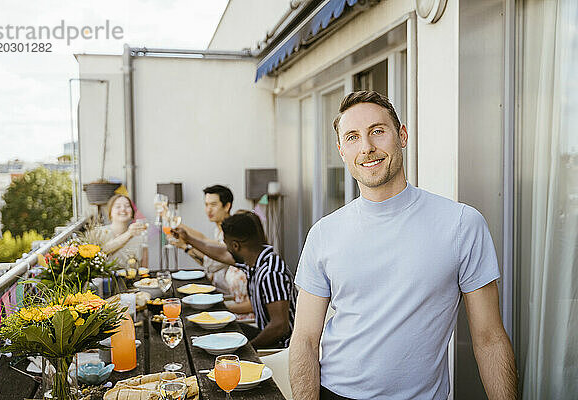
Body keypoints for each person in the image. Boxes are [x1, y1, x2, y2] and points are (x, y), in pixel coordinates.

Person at [289, 91, 518, 400]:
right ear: (342, 151)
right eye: (353, 137)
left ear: (402, 135)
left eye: (377, 132)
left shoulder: (461, 224)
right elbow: (303, 339)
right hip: (336, 393)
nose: (367, 148)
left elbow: (490, 338)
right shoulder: (323, 234)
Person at [173, 211, 297, 349]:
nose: (226, 250)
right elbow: (220, 253)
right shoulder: (254, 261)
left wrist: (247, 349)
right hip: (267, 335)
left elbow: (280, 327)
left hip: (281, 348)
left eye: (227, 245)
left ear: (236, 246)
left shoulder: (271, 273)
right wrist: (188, 239)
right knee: (213, 332)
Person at [172, 185, 253, 318]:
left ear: (227, 206)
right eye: (206, 204)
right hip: (222, 298)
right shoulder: (218, 230)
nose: (208, 210)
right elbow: (203, 239)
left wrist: (186, 246)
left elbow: (210, 263)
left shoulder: (235, 239)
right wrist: (179, 227)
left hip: (228, 301)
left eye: (213, 205)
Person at [97, 194, 146, 265]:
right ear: (110, 212)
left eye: (127, 206)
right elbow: (101, 252)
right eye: (118, 206)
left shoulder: (140, 237)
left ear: (132, 212)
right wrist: (129, 233)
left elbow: (144, 270)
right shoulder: (100, 233)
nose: (123, 209)